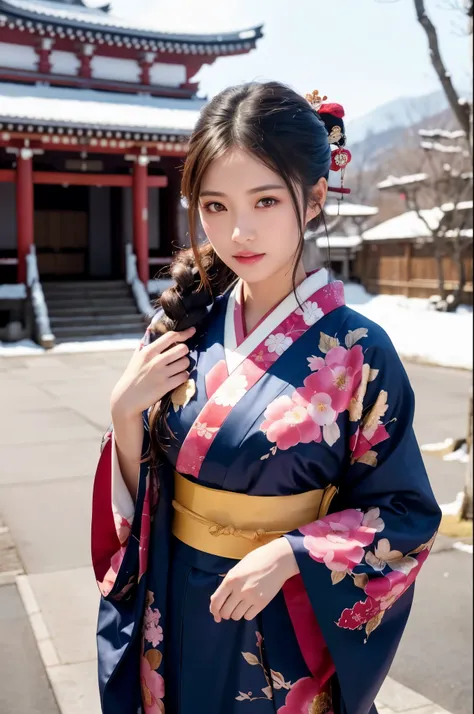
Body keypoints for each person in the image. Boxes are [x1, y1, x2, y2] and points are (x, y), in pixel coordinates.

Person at [91, 81, 441, 714]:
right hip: (174, 604)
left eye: (265, 200)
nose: (239, 230)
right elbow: (146, 494)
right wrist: (124, 413)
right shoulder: (181, 330)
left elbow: (405, 512)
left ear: (311, 201)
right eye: (215, 205)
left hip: (285, 618)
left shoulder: (360, 350)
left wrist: (292, 552)